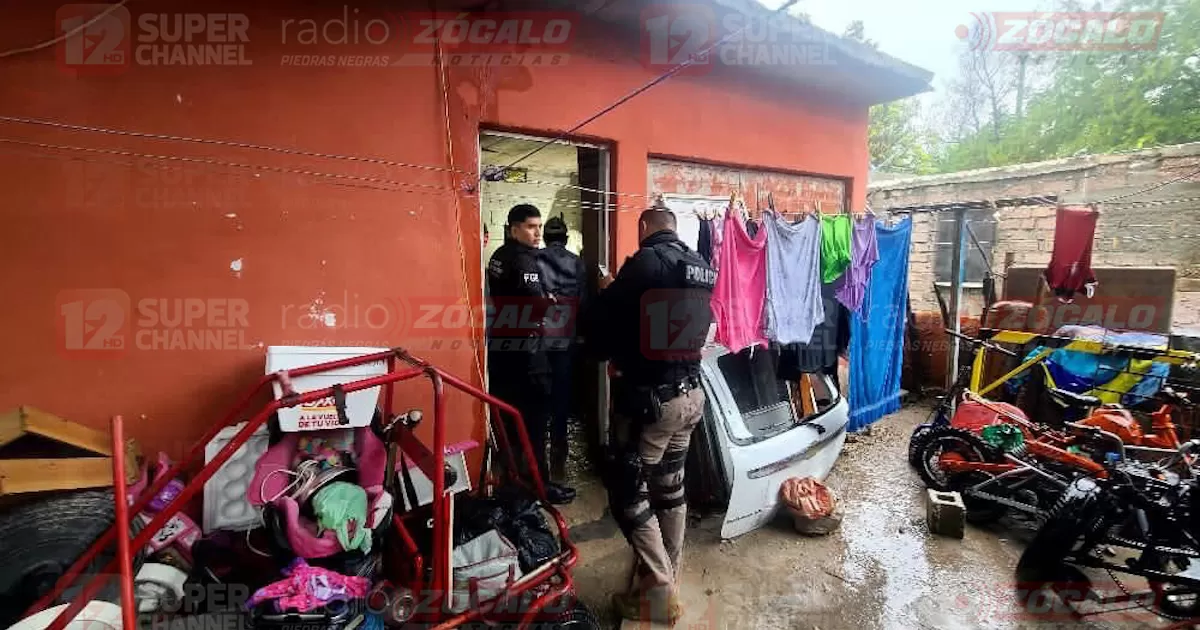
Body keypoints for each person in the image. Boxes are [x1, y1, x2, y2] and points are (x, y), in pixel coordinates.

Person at [584, 207, 716, 624]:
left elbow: (604, 329)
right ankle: (666, 578)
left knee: (628, 492)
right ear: (675, 228)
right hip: (692, 396)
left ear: (644, 228)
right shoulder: (699, 264)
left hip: (652, 403)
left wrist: (606, 289)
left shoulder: (644, 263)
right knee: (670, 490)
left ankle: (660, 592)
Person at [486, 204, 576, 506]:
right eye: (530, 227)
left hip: (504, 351)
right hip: (527, 354)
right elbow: (538, 305)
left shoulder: (498, 256)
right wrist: (548, 302)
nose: (537, 233)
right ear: (514, 229)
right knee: (535, 424)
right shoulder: (524, 261)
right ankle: (539, 487)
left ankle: (516, 484)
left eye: (539, 227)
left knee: (512, 425)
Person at [537, 215, 587, 479]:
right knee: (561, 399)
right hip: (566, 341)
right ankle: (559, 453)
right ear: (566, 239)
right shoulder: (577, 263)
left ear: (545, 237)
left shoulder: (535, 260)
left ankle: (537, 458)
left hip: (540, 342)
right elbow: (584, 302)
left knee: (538, 399)